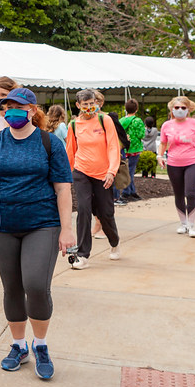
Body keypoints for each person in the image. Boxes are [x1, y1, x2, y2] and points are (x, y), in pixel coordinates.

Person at [0, 88, 73, 380]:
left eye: (18, 106)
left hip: (42, 224)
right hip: (3, 225)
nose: (12, 111)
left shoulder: (48, 142)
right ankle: (18, 345)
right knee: (12, 287)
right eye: (7, 106)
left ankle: (40, 344)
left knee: (35, 284)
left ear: (32, 109)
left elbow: (62, 187)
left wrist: (67, 229)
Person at [64, 89, 121, 269]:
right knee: (83, 209)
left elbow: (113, 147)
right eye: (85, 104)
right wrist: (64, 175)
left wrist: (112, 171)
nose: (89, 107)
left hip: (104, 174)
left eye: (92, 103)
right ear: (78, 105)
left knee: (105, 213)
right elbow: (70, 152)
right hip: (81, 172)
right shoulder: (74, 125)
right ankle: (82, 255)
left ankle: (114, 241)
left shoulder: (105, 120)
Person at [159, 96, 195, 238]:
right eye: (176, 108)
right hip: (173, 163)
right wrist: (160, 156)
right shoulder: (167, 125)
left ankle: (191, 224)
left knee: (190, 192)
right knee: (178, 193)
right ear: (172, 109)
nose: (179, 110)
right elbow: (163, 143)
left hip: (193, 162)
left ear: (188, 110)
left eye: (183, 108)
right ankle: (183, 223)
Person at [119, 99, 146, 201]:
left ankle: (132, 191)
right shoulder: (137, 121)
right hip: (135, 149)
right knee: (130, 171)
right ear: (137, 109)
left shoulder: (121, 120)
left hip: (124, 149)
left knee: (127, 170)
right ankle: (127, 192)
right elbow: (141, 135)